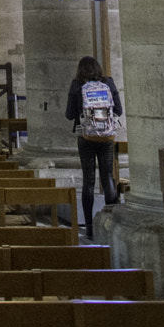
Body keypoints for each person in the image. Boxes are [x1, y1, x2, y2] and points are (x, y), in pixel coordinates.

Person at [65, 55, 122, 240]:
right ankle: (111, 223)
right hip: (106, 138)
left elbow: (69, 114)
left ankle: (89, 227)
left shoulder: (77, 85)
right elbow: (118, 110)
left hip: (86, 137)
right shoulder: (108, 82)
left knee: (88, 181)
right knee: (107, 178)